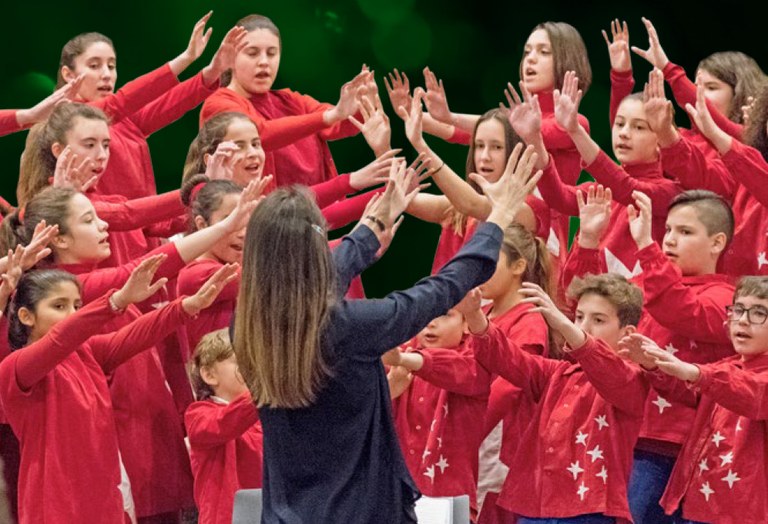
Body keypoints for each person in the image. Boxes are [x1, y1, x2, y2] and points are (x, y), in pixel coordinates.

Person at [233, 144, 542, 522]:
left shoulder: (246, 327)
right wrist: (499, 217)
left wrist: (372, 227)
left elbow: (310, 278)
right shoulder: (348, 327)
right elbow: (444, 287)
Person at [0, 256, 236, 523]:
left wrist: (185, 306)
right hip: (55, 504)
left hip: (104, 498)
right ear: (25, 316)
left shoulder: (87, 353)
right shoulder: (16, 367)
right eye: (59, 306)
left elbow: (137, 334)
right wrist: (116, 301)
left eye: (77, 305)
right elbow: (59, 339)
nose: (72, 314)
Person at [474, 273, 646, 523]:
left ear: (627, 333)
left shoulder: (632, 378)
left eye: (598, 320)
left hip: (588, 510)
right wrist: (474, 316)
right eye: (579, 317)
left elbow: (608, 370)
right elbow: (507, 357)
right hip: (535, 506)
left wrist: (564, 325)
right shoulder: (559, 373)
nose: (583, 327)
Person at [620, 276, 768, 524]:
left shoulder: (735, 375)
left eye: (759, 313)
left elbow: (752, 393)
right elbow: (689, 391)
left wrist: (696, 373)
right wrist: (654, 365)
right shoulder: (727, 367)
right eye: (739, 310)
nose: (743, 320)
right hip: (698, 505)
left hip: (743, 514)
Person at [200, 14, 368, 188]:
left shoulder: (291, 100)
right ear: (230, 59)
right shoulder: (218, 104)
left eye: (272, 54)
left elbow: (339, 124)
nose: (264, 62)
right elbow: (260, 134)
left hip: (319, 211)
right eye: (252, 53)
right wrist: (331, 116)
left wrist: (362, 106)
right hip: (261, 214)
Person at [185, 329, 262, 524]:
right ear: (209, 374)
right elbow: (225, 422)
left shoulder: (265, 412)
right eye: (241, 361)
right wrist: (264, 389)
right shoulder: (198, 414)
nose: (253, 368)